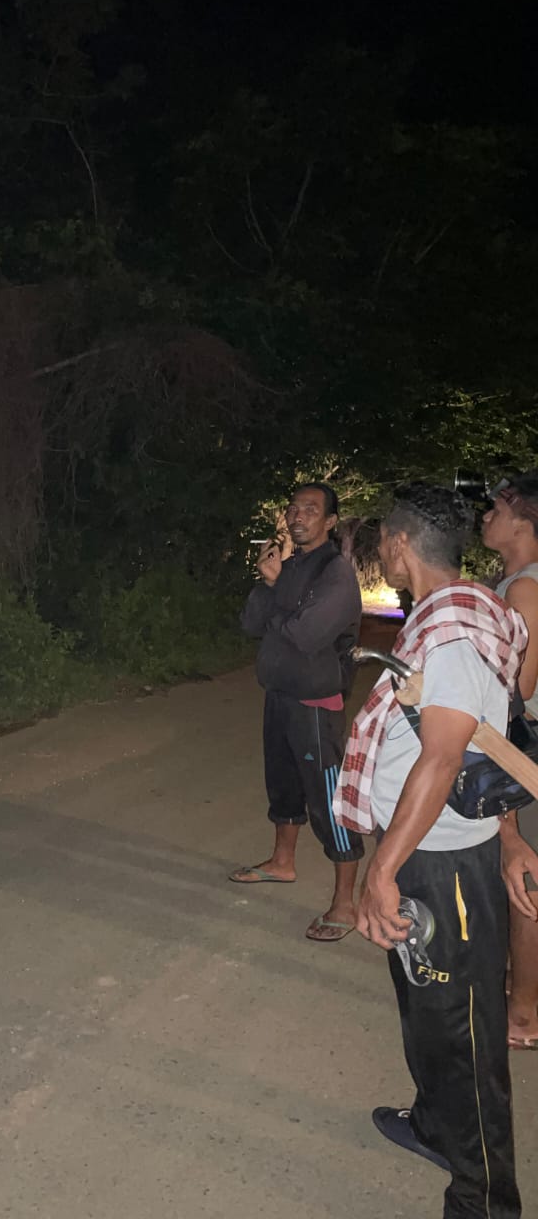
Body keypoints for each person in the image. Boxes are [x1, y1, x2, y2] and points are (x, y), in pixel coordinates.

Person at [336, 483, 528, 1219]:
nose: (381, 550)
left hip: (443, 869)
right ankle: (433, 1126)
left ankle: (484, 1203)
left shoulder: (449, 633)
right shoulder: (455, 611)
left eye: (382, 540)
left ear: (399, 544)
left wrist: (380, 873)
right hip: (431, 852)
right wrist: (506, 835)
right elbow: (485, 739)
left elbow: (445, 758)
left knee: (465, 1041)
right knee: (426, 1013)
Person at [230, 483, 365, 942]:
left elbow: (307, 634)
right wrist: (269, 583)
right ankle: (282, 862)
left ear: (330, 521)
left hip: (314, 704)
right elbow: (251, 623)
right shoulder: (289, 567)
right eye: (293, 508)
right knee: (283, 785)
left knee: (328, 801)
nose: (298, 515)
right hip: (280, 695)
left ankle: (345, 904)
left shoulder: (335, 572)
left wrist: (277, 603)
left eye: (310, 509)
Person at [482, 472, 538, 1050]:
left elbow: (517, 689)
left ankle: (524, 1015)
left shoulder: (525, 589)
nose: (486, 517)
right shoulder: (513, 583)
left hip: (524, 748)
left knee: (524, 879)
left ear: (523, 524)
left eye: (496, 509)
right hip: (522, 742)